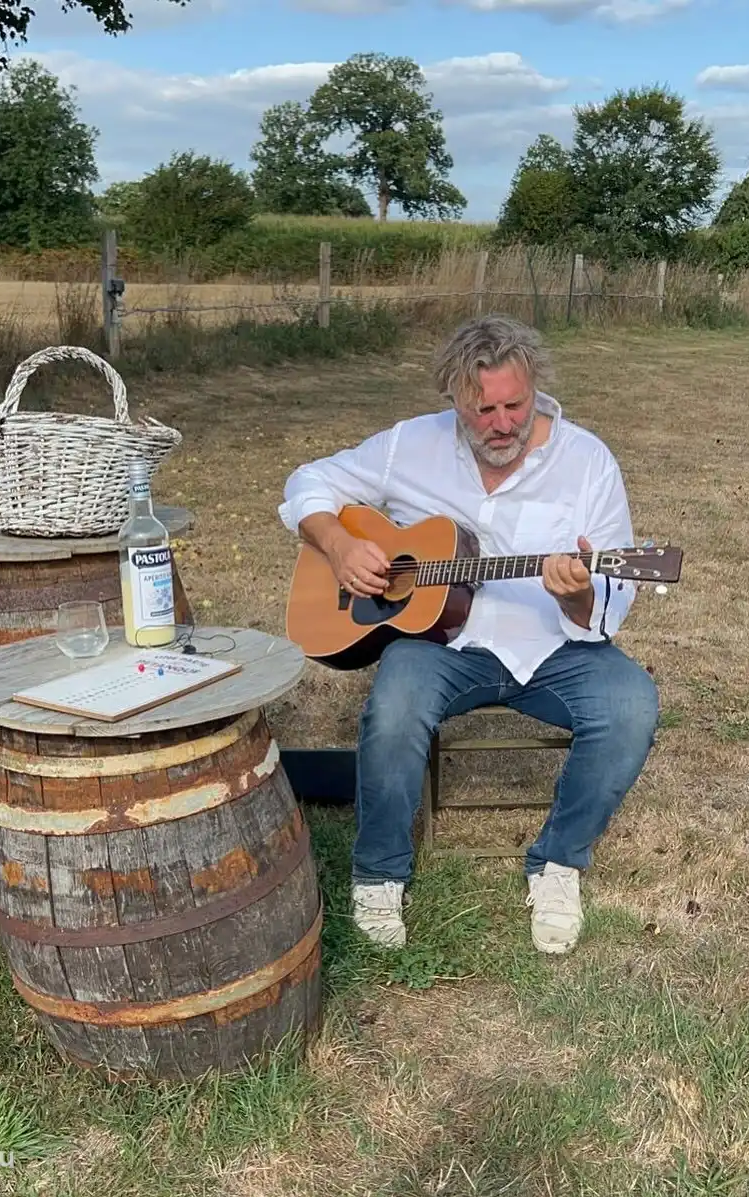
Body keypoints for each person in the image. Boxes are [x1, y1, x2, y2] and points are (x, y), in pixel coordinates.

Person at [277, 314, 659, 955]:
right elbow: (308, 482)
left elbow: (615, 591)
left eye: (516, 405)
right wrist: (338, 542)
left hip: (554, 645)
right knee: (395, 708)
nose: (503, 423)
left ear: (535, 389)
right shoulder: (409, 444)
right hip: (442, 644)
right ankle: (378, 874)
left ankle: (558, 865)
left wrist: (582, 593)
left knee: (631, 706)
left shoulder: (588, 461)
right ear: (453, 397)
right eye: (483, 410)